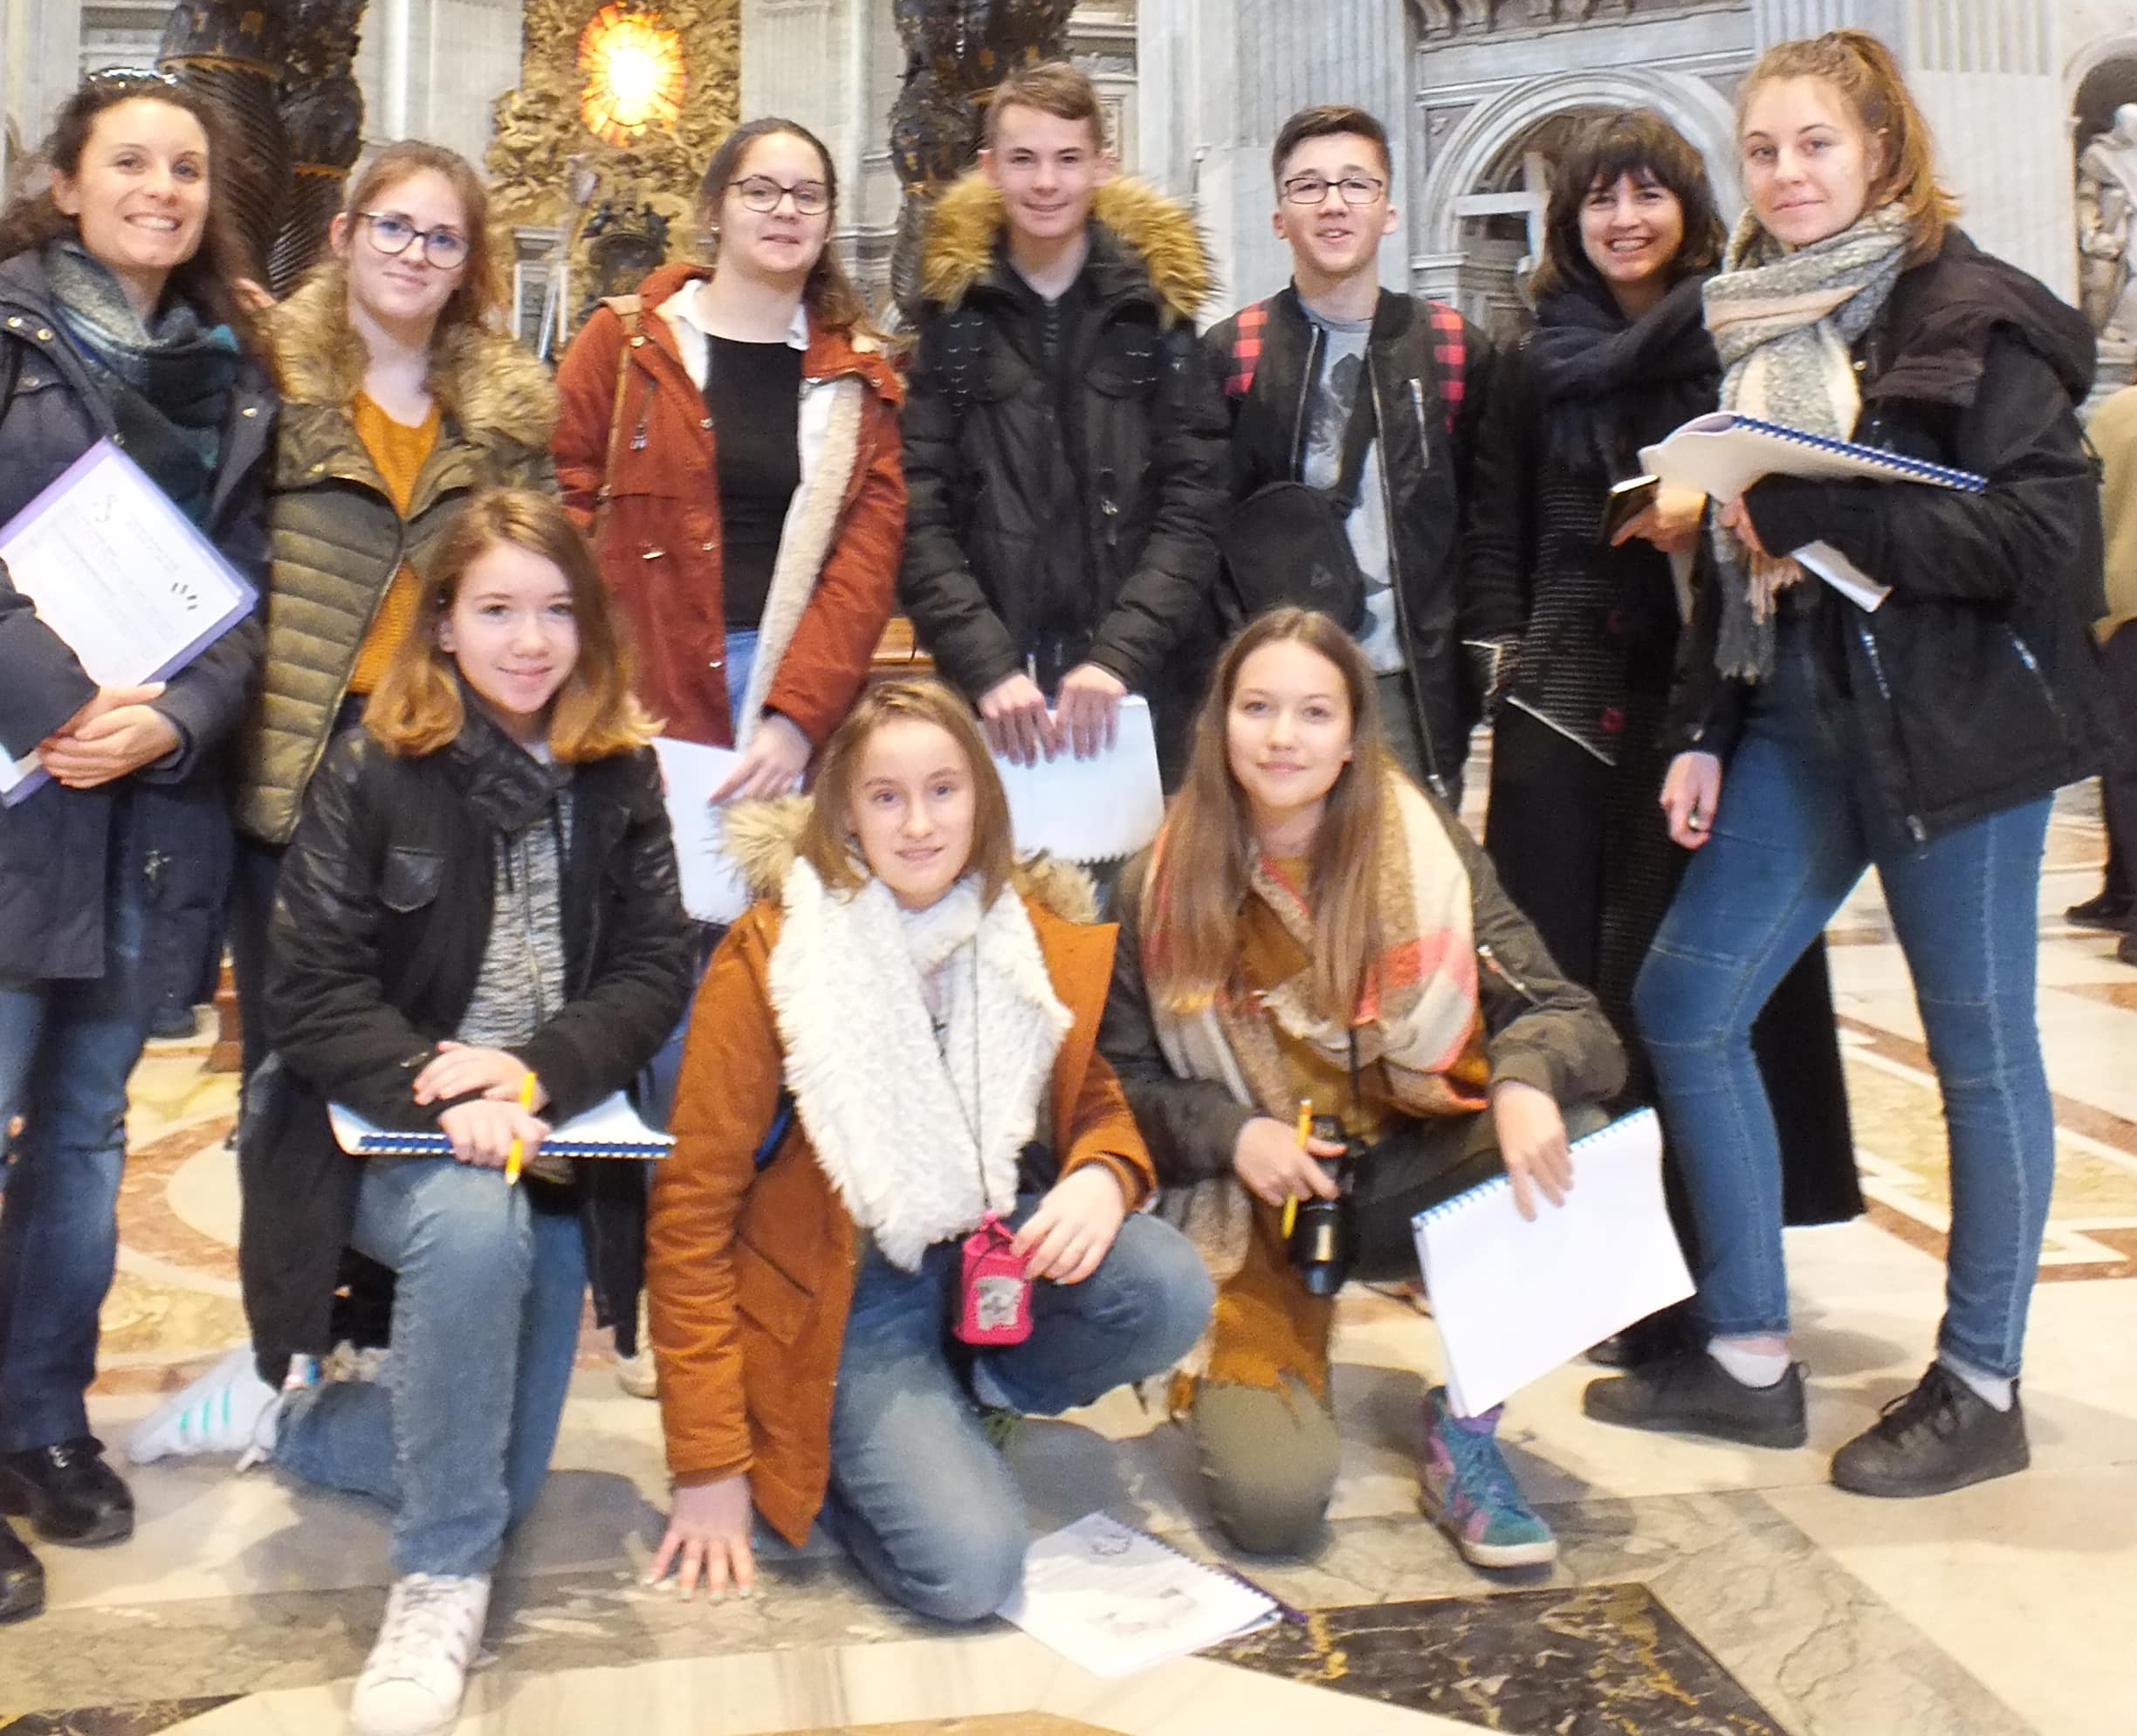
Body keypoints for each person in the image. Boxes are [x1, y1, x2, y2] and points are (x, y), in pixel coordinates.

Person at [1585, 31, 2105, 1495]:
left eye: (1812, 142)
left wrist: (1832, 509)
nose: (1785, 172)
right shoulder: (1749, 320)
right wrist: (1701, 726)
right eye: (1760, 149)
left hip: (1956, 726)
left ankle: (1980, 1377)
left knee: (1976, 1050)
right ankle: (1748, 1351)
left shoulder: (1969, 310)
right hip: (1798, 718)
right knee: (1685, 1000)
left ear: (1879, 146)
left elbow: (2041, 541)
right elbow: (1738, 552)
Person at [134, 491, 692, 1736]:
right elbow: (312, 994)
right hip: (385, 1125)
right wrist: (445, 1094)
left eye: (555, 612)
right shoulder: (375, 768)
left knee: (507, 1455)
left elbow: (654, 969)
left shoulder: (621, 772)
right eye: (496, 610)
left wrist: (534, 1072)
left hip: (548, 1129)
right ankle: (440, 1576)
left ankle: (292, 1416)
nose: (529, 641)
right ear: (442, 624)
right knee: (473, 1236)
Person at [642, 676, 1213, 1620]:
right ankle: (833, 1460)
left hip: (981, 1258)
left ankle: (979, 1384)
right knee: (968, 1574)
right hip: (848, 1295)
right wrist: (710, 1465)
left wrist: (1106, 1177)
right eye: (885, 796)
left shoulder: (1019, 929)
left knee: (1166, 1284)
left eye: (943, 790)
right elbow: (690, 1216)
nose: (918, 824)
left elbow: (1102, 1104)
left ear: (982, 800)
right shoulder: (776, 951)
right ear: (845, 815)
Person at [1100, 609, 1623, 1569]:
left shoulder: (1422, 853)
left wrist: (1524, 1078)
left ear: (1350, 737)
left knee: (1576, 1136)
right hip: (1257, 1204)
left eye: (1313, 712)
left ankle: (1465, 1427)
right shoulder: (1159, 882)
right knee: (1274, 1511)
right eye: (1258, 708)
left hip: (1402, 1168)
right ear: (1221, 726)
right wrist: (1230, 1135)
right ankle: (1264, 1362)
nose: (1283, 737)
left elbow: (1568, 1016)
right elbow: (1120, 1082)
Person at [1464, 112, 1859, 1284]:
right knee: (1556, 973)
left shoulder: (1736, 345)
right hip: (1561, 694)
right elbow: (1498, 525)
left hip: (1697, 694)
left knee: (1671, 974)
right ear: (1567, 222)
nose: (1624, 220)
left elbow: (1798, 502)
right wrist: (1498, 664)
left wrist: (1707, 504)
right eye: (1599, 200)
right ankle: (1571, 1242)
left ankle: (1692, 1246)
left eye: (1647, 195)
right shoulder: (1531, 357)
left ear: (1685, 206)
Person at [0, 72, 275, 1625]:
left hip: (147, 807)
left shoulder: (233, 366)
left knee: (88, 1139)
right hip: (19, 781)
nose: (161, 186)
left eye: (185, 166)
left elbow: (244, 588)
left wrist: (170, 722)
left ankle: (40, 1418)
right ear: (66, 180)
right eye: (131, 161)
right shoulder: (10, 331)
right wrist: (60, 703)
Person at [216, 141, 556, 1091]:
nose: (415, 253)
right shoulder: (262, 384)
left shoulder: (504, 417)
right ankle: (294, 1246)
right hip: (297, 753)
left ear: (467, 266)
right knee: (288, 1060)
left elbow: (547, 582)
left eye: (444, 239)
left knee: (430, 1041)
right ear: (345, 234)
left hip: (445, 751)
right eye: (395, 226)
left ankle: (403, 1244)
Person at [555, 117, 904, 793]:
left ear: (828, 222)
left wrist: (796, 718)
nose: (785, 210)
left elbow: (865, 567)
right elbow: (563, 508)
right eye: (761, 191)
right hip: (638, 673)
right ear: (714, 210)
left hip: (794, 687)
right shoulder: (623, 341)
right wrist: (590, 676)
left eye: (808, 196)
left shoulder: (862, 380)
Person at [899, 61, 1228, 771]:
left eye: (1067, 159)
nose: (1046, 183)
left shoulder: (1159, 314)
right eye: (1023, 159)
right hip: (993, 694)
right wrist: (988, 665)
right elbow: (917, 510)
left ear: (1102, 167)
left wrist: (1117, 657)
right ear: (989, 168)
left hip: (1138, 691)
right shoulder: (951, 323)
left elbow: (1194, 504)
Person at [1201, 105, 1494, 801]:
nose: (1334, 204)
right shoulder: (1232, 352)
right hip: (1279, 687)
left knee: (1408, 894)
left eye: (1356, 184)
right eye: (1308, 186)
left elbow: (1486, 530)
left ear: (1388, 210)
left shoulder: (1454, 348)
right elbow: (1204, 532)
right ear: (1279, 216)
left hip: (1407, 680)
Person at [2070, 380, 2137, 957]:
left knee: (2124, 766)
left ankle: (2122, 894)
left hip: (2120, 608)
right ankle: (2119, 889)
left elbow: (2079, 505)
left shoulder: (2114, 413)